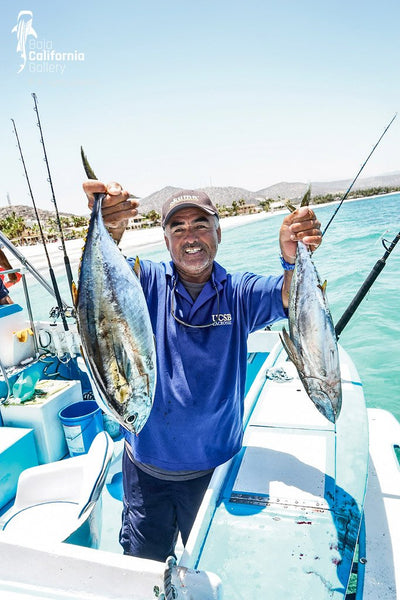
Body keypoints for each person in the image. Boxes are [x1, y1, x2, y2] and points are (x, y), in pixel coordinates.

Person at [83, 181, 322, 562]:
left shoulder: (238, 291)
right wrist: (107, 231)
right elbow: (95, 299)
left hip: (216, 469)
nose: (190, 237)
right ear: (165, 241)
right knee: (143, 568)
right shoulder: (143, 282)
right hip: (146, 473)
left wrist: (292, 260)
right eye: (178, 228)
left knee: (211, 566)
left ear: (218, 232)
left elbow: (289, 297)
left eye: (200, 225)